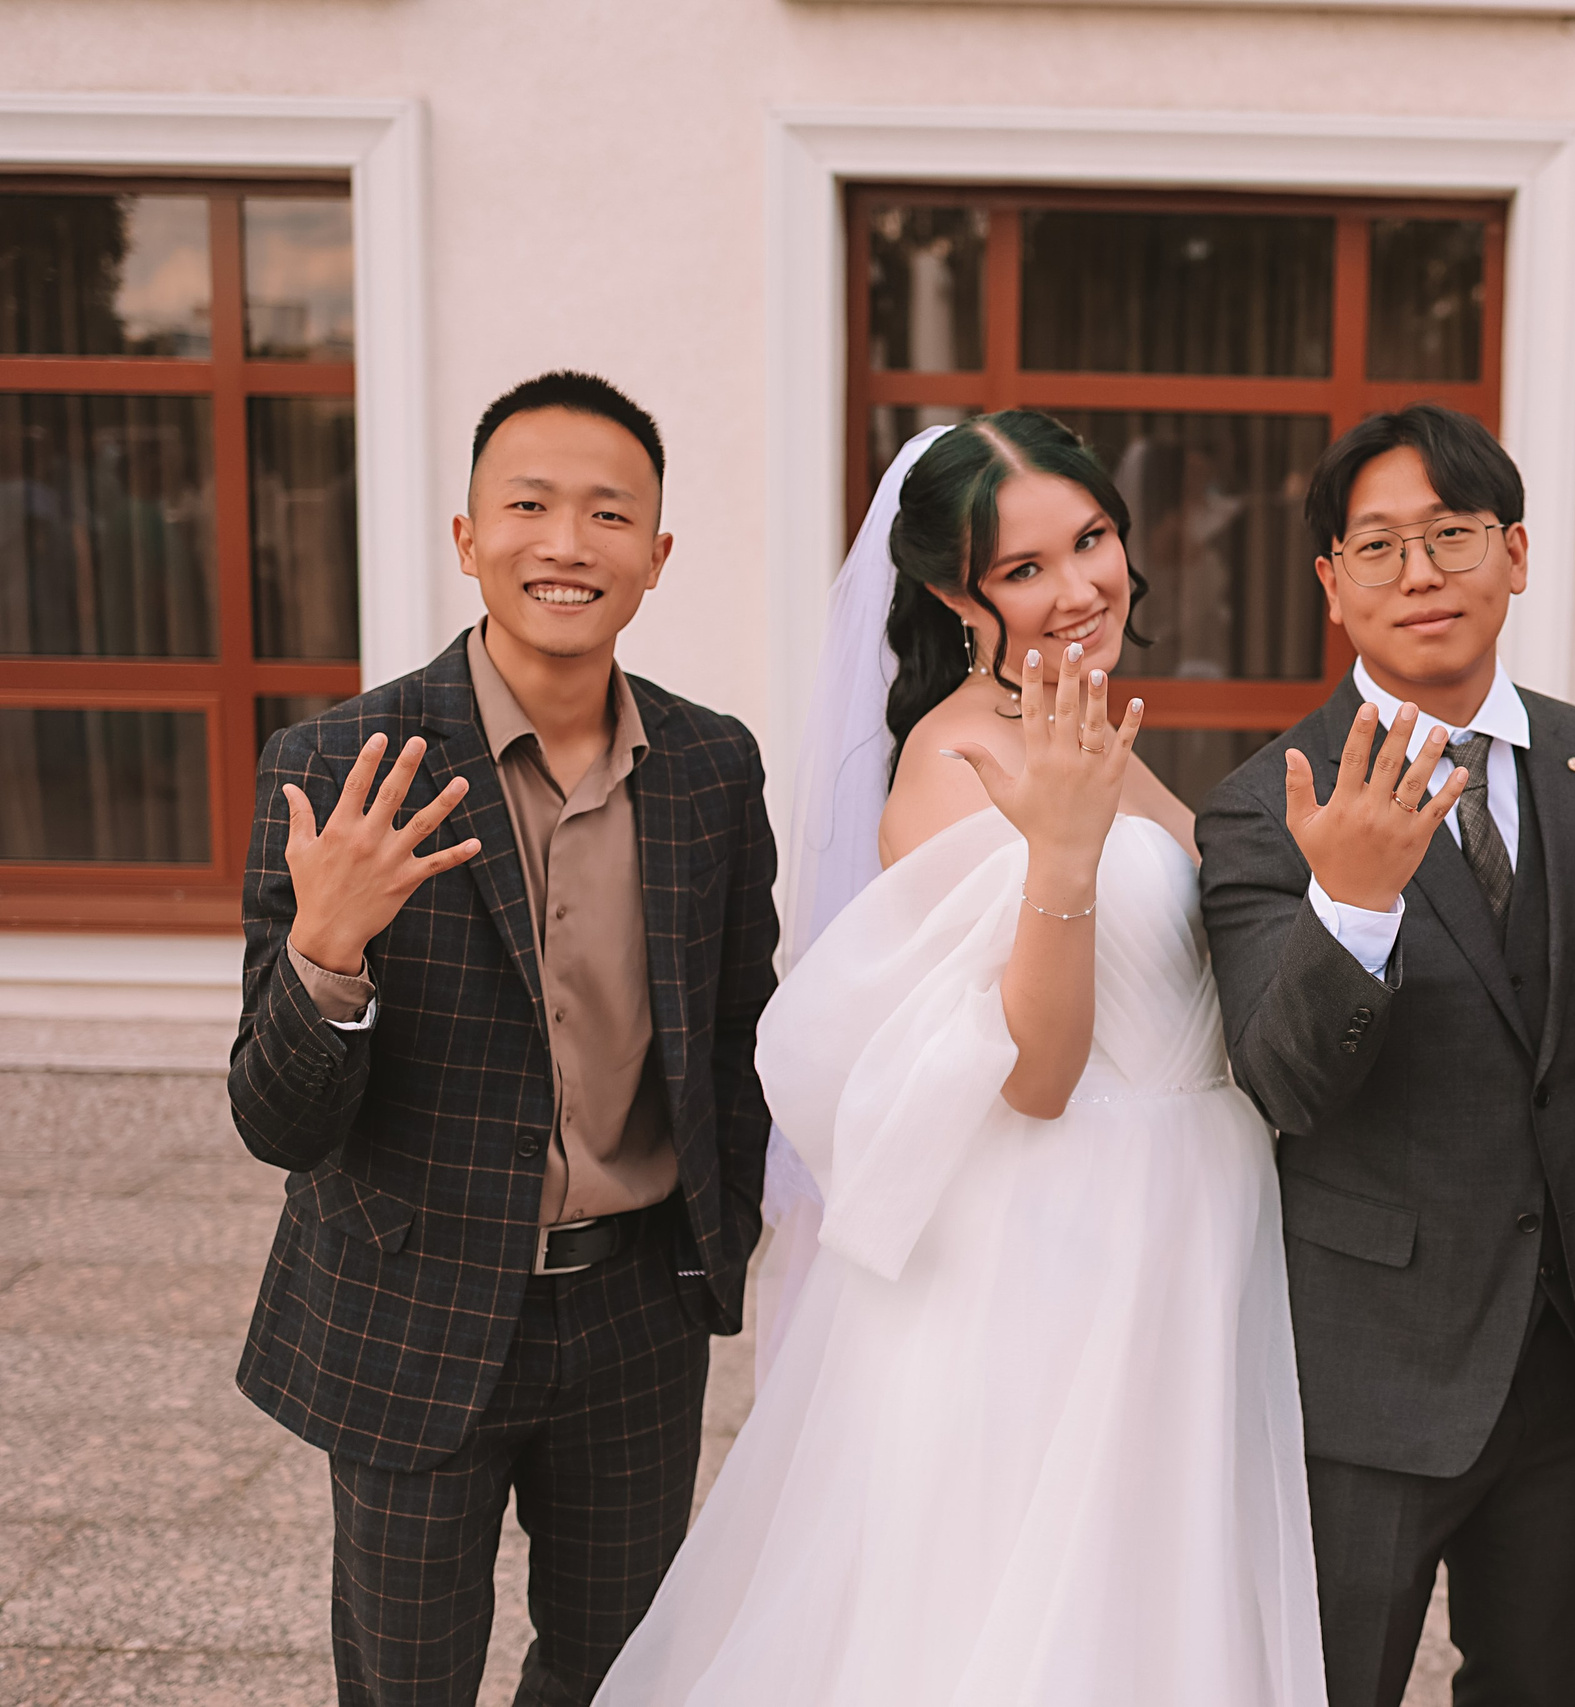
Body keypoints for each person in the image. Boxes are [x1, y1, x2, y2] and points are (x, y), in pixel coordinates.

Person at [594, 412, 1325, 1706]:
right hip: (1057, 1257)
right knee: (1036, 1620)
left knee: (1156, 1606)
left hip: (1187, 1229)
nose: (1080, 585)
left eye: (1091, 538)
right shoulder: (953, 761)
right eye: (1024, 567)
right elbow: (1036, 1069)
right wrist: (1061, 856)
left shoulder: (1084, 722)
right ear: (952, 590)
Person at [229, 370, 780, 1706]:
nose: (566, 542)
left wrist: (724, 1245)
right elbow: (273, 1118)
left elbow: (739, 1031)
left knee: (614, 1667)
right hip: (415, 1299)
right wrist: (328, 952)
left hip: (635, 1311)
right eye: (528, 504)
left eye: (607, 512)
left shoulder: (711, 766)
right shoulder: (345, 760)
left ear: (656, 553)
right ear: (468, 538)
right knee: (406, 1678)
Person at [1195, 404, 1575, 1707]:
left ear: (1517, 552)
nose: (1421, 572)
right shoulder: (1270, 798)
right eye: (1379, 545)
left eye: (1453, 534)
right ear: (1330, 580)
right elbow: (1285, 1080)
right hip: (1372, 1370)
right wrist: (1353, 908)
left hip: (1574, 1353)